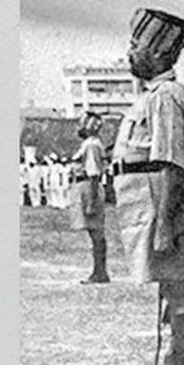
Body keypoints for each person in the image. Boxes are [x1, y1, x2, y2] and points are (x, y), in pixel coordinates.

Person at [112, 8, 184, 365]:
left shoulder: (167, 96)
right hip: (145, 208)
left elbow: (170, 162)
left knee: (180, 299)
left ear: (159, 52)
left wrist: (166, 224)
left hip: (159, 210)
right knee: (172, 298)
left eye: (138, 45)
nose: (131, 53)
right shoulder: (152, 95)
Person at [70, 112, 110, 283]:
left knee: (96, 232)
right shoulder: (90, 144)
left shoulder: (91, 145)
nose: (79, 126)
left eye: (82, 123)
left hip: (89, 187)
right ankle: (99, 271)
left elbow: (93, 174)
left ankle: (100, 272)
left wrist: (92, 201)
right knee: (94, 233)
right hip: (86, 187)